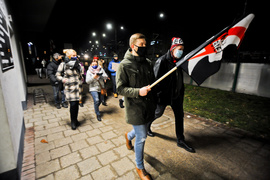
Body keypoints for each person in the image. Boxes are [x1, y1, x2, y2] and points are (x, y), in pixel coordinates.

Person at [116, 33, 156, 180]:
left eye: (146, 44)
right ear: (133, 46)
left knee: (141, 131)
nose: (145, 47)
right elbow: (120, 89)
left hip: (148, 106)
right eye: (142, 44)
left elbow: (151, 82)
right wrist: (139, 91)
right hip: (134, 108)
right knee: (142, 136)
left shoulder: (147, 63)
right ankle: (139, 167)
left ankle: (128, 135)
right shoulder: (124, 65)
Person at [147, 37, 195, 153]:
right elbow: (155, 81)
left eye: (183, 49)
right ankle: (146, 126)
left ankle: (180, 140)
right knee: (158, 113)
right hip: (163, 96)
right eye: (179, 49)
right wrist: (156, 97)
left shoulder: (179, 61)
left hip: (176, 96)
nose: (181, 51)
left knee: (179, 116)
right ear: (173, 49)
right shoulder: (162, 61)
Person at [56, 49, 83, 130]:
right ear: (68, 56)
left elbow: (80, 74)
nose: (76, 57)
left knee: (77, 105)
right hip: (70, 88)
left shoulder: (78, 64)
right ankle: (73, 121)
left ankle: (76, 119)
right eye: (73, 56)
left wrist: (80, 70)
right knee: (73, 105)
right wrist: (64, 80)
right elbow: (57, 75)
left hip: (78, 88)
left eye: (76, 55)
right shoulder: (63, 64)